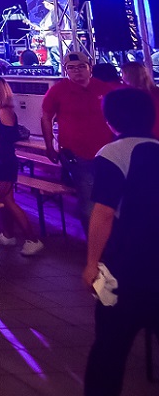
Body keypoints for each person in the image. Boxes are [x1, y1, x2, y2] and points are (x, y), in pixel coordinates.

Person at [82, 88, 159, 396]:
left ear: (111, 120)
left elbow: (103, 213)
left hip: (124, 267)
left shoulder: (113, 153)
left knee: (109, 349)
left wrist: (91, 264)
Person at [41, 52, 114, 219]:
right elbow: (46, 118)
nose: (77, 71)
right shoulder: (57, 91)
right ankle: (93, 235)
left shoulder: (103, 88)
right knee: (88, 202)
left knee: (108, 198)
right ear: (66, 70)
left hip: (106, 153)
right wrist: (49, 146)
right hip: (76, 153)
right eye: (71, 68)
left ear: (90, 68)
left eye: (81, 66)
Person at [0, 76, 43, 255]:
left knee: (7, 200)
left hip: (2, 160)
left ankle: (32, 239)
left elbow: (8, 137)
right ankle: (8, 234)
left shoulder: (4, 110)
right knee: (4, 200)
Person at [119, 61, 159, 138]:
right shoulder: (155, 90)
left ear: (130, 75)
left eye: (123, 74)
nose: (121, 77)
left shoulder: (129, 95)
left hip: (142, 133)